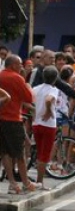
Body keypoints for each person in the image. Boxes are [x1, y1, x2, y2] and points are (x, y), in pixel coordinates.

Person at [0, 55, 37, 193]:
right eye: (20, 64)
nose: (21, 66)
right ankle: (26, 183)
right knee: (19, 152)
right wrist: (26, 83)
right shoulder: (17, 78)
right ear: (13, 65)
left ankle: (12, 183)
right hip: (13, 118)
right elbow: (29, 97)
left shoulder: (1, 76)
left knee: (5, 152)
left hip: (1, 118)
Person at [32, 65, 59, 190]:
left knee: (39, 152)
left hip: (36, 123)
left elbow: (29, 102)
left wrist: (35, 111)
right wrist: (48, 110)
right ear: (55, 78)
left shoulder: (36, 89)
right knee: (45, 154)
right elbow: (49, 99)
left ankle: (38, 180)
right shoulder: (53, 89)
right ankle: (40, 182)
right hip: (48, 124)